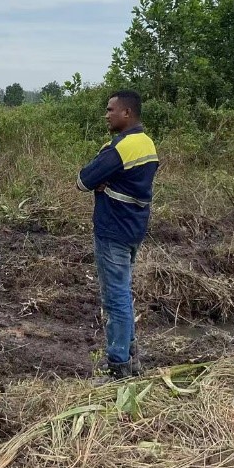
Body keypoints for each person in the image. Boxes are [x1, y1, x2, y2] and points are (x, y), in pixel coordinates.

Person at [75, 89, 159, 379]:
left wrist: (102, 181)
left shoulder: (121, 148)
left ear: (127, 113)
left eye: (111, 110)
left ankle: (118, 365)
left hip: (113, 230)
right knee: (122, 293)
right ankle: (130, 356)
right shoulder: (147, 143)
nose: (106, 114)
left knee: (116, 298)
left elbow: (84, 180)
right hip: (134, 229)